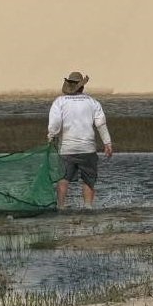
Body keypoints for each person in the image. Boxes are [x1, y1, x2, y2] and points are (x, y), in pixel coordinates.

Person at [47, 71, 113, 210]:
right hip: (88, 149)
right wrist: (107, 143)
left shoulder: (59, 102)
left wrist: (51, 135)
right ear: (82, 87)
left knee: (63, 178)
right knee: (88, 180)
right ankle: (88, 206)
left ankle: (61, 207)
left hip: (66, 149)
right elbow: (101, 124)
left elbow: (55, 123)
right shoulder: (92, 102)